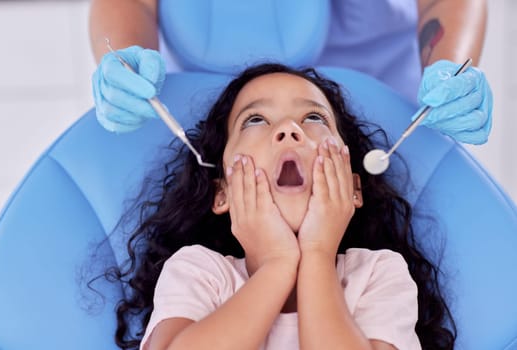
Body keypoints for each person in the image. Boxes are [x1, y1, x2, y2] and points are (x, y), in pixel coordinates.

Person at [101, 63, 456, 350]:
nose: (288, 129)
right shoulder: (198, 271)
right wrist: (277, 263)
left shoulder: (379, 274)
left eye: (313, 118)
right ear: (221, 192)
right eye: (255, 120)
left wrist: (316, 254)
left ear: (353, 188)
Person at [89, 0, 492, 145]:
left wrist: (449, 69)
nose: (289, 132)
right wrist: (128, 63)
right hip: (208, 97)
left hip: (385, 103)